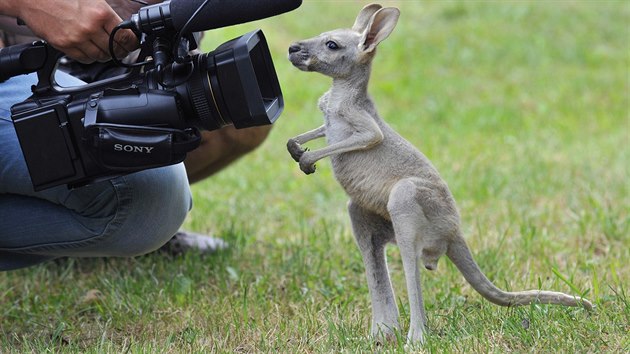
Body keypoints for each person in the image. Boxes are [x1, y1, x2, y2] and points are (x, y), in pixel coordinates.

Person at [0, 0, 272, 270]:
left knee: (230, 107)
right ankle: (70, 222)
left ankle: (73, 230)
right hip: (17, 56)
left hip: (104, 58)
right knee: (149, 199)